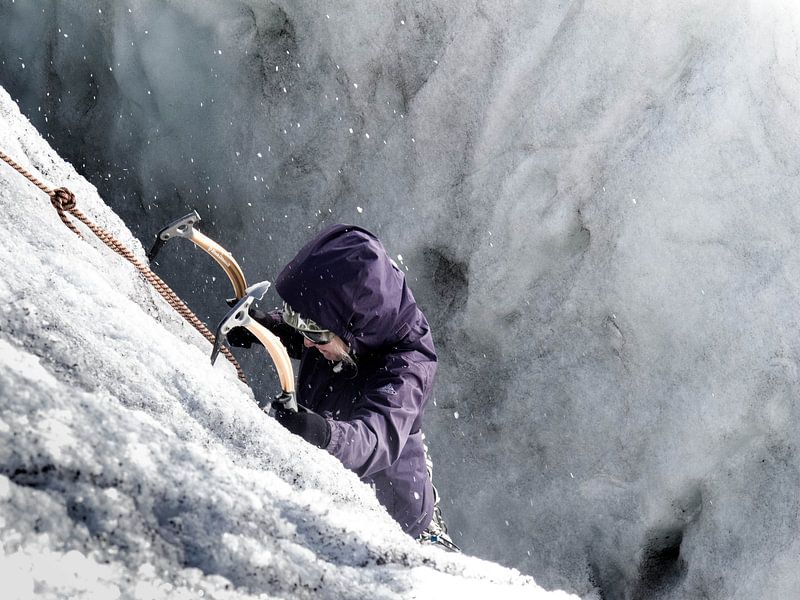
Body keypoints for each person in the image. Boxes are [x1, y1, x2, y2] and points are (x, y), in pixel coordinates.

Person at [227, 224, 456, 548]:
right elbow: (309, 332)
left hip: (394, 527)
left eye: (316, 332)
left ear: (356, 327)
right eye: (300, 322)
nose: (306, 341)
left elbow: (376, 438)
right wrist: (264, 327)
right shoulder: (345, 326)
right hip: (332, 486)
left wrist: (322, 434)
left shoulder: (408, 365)